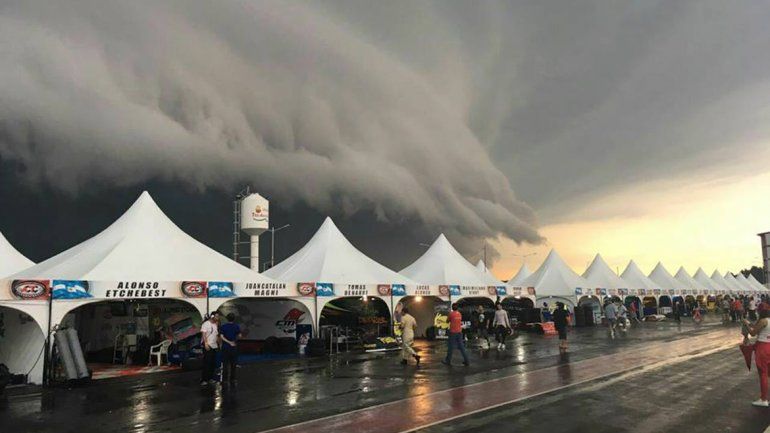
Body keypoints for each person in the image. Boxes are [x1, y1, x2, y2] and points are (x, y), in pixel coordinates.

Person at [743, 307, 770, 407]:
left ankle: (763, 399)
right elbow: (756, 327)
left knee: (763, 374)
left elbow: (753, 333)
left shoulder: (763, 321)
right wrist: (750, 324)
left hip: (763, 348)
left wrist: (746, 324)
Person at [219, 312, 242, 384]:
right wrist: (234, 341)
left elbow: (221, 337)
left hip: (225, 347)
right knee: (233, 364)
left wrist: (228, 342)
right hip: (234, 347)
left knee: (225, 364)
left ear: (227, 319)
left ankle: (225, 380)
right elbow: (240, 336)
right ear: (234, 319)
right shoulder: (236, 326)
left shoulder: (223, 326)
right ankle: (233, 379)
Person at [200, 311, 220, 385]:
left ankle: (210, 378)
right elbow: (204, 334)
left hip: (214, 346)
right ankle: (204, 379)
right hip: (208, 345)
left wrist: (219, 344)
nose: (218, 318)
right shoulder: (206, 324)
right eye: (216, 316)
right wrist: (206, 343)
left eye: (218, 316)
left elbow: (216, 335)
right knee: (207, 363)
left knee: (212, 363)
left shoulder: (215, 324)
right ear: (212, 316)